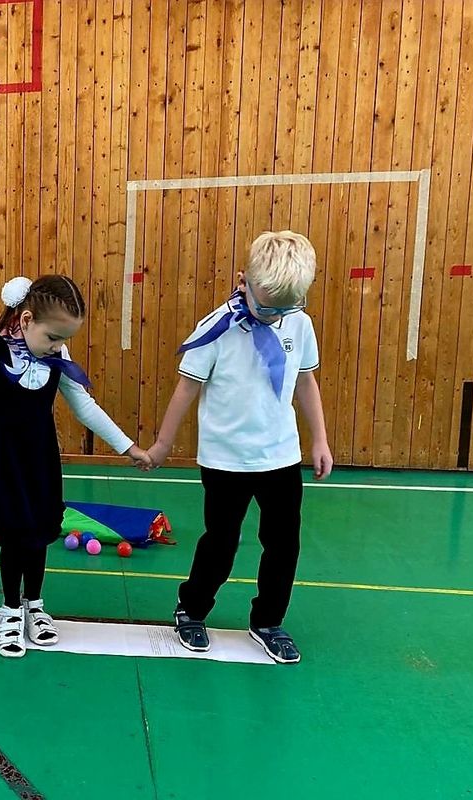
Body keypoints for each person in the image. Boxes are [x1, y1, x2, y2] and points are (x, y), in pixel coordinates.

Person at [0, 275, 151, 658]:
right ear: (27, 319)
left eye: (63, 340)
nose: (58, 347)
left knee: (40, 532)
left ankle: (35, 604)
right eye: (53, 338)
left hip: (38, 460)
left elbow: (84, 406)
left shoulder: (56, 355)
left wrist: (128, 446)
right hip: (1, 463)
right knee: (14, 538)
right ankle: (10, 609)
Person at [148, 230, 333, 664]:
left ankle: (268, 621)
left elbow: (305, 381)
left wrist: (320, 438)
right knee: (221, 542)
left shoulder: (298, 323)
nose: (276, 316)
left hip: (280, 458)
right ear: (242, 282)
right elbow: (186, 389)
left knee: (283, 544)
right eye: (267, 307)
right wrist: (161, 445)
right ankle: (192, 609)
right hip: (225, 462)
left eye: (287, 307)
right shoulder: (215, 330)